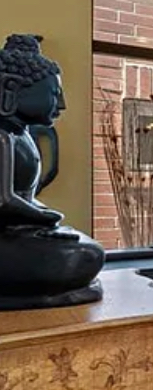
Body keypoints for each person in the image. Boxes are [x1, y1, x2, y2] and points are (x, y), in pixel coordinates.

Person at [0, 33, 104, 307]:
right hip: (6, 233)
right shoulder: (3, 136)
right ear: (11, 88)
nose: (61, 105)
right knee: (78, 255)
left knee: (86, 251)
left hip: (20, 230)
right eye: (53, 94)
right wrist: (45, 217)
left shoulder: (23, 135)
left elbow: (24, 197)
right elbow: (4, 201)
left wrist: (41, 218)